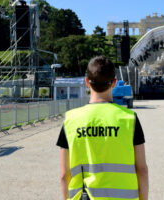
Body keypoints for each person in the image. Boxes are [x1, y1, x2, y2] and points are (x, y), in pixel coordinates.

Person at [56, 56, 149, 200]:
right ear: (114, 83)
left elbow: (64, 175)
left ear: (87, 82)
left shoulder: (71, 120)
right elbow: (142, 170)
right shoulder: (130, 119)